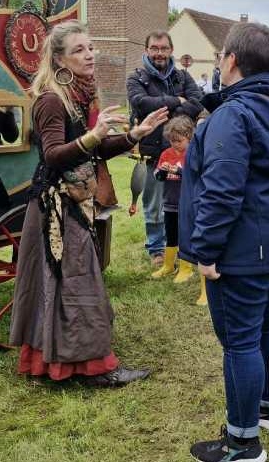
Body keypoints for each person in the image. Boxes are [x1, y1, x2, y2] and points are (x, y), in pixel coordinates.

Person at [180, 22, 269, 462]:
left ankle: (242, 442)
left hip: (247, 247)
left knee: (241, 340)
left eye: (220, 56)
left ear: (231, 61)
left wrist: (206, 251)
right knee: (268, 323)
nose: (219, 63)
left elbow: (221, 190)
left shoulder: (233, 115)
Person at [9, 21, 168, 386]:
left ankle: (60, 364)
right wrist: (95, 136)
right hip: (57, 208)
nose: (90, 54)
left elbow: (91, 152)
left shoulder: (77, 95)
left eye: (91, 46)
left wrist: (132, 136)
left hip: (71, 205)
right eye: (80, 49)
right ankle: (96, 369)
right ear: (60, 60)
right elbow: (52, 156)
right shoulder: (51, 99)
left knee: (71, 285)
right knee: (79, 285)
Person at [127, 30, 203, 268]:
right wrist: (176, 101)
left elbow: (197, 102)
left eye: (164, 48)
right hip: (153, 152)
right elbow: (141, 104)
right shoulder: (137, 78)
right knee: (154, 205)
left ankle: (179, 246)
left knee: (183, 203)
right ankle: (156, 248)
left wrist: (168, 109)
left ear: (171, 50)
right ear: (147, 50)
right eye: (155, 48)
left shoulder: (183, 76)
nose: (159, 53)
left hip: (183, 154)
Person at [150, 115, 195, 286]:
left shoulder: (192, 154)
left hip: (186, 204)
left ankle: (186, 268)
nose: (175, 144)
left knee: (185, 236)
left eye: (179, 141)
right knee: (171, 235)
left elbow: (195, 176)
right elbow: (158, 176)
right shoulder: (166, 154)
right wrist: (162, 170)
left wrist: (179, 171)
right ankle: (169, 265)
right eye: (172, 141)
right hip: (169, 202)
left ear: (189, 137)